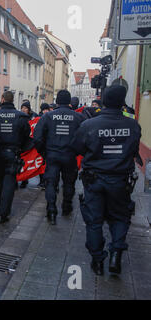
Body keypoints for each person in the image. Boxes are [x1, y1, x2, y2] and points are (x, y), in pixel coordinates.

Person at [71, 85, 141, 276]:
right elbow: (134, 150)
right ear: (122, 102)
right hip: (120, 181)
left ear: (103, 101)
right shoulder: (132, 125)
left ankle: (98, 259)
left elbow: (77, 147)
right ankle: (116, 253)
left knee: (94, 221)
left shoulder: (89, 125)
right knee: (120, 217)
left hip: (94, 180)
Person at [33, 90, 85, 225]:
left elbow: (37, 137)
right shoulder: (78, 117)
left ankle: (51, 209)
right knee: (69, 183)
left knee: (51, 183)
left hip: (52, 154)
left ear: (57, 101)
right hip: (69, 155)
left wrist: (44, 152)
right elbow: (85, 137)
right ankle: (66, 206)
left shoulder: (48, 116)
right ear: (69, 102)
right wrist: (77, 151)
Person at [0, 91, 31, 224]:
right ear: (13, 100)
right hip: (13, 153)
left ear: (2, 99)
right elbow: (26, 135)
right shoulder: (21, 116)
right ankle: (4, 212)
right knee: (9, 182)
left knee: (1, 182)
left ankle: (2, 208)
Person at [18, 101, 37, 189]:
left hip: (28, 143)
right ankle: (20, 178)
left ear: (29, 109)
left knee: (26, 161)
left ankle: (24, 180)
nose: (24, 109)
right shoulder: (19, 116)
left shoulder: (33, 117)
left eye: (25, 108)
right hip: (20, 143)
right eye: (22, 108)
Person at [37, 103, 52, 190]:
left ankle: (46, 181)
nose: (45, 111)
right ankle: (42, 181)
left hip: (48, 145)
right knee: (41, 165)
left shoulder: (50, 118)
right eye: (44, 110)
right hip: (42, 145)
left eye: (46, 109)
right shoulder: (39, 118)